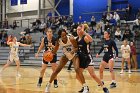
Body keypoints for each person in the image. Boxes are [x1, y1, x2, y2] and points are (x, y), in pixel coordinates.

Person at [76, 25, 109, 93]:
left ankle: (104, 87)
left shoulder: (85, 37)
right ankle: (85, 87)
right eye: (77, 30)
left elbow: (91, 40)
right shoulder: (76, 39)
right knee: (77, 75)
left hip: (87, 58)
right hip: (81, 59)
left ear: (82, 30)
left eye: (79, 29)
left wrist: (84, 33)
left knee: (93, 75)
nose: (78, 31)